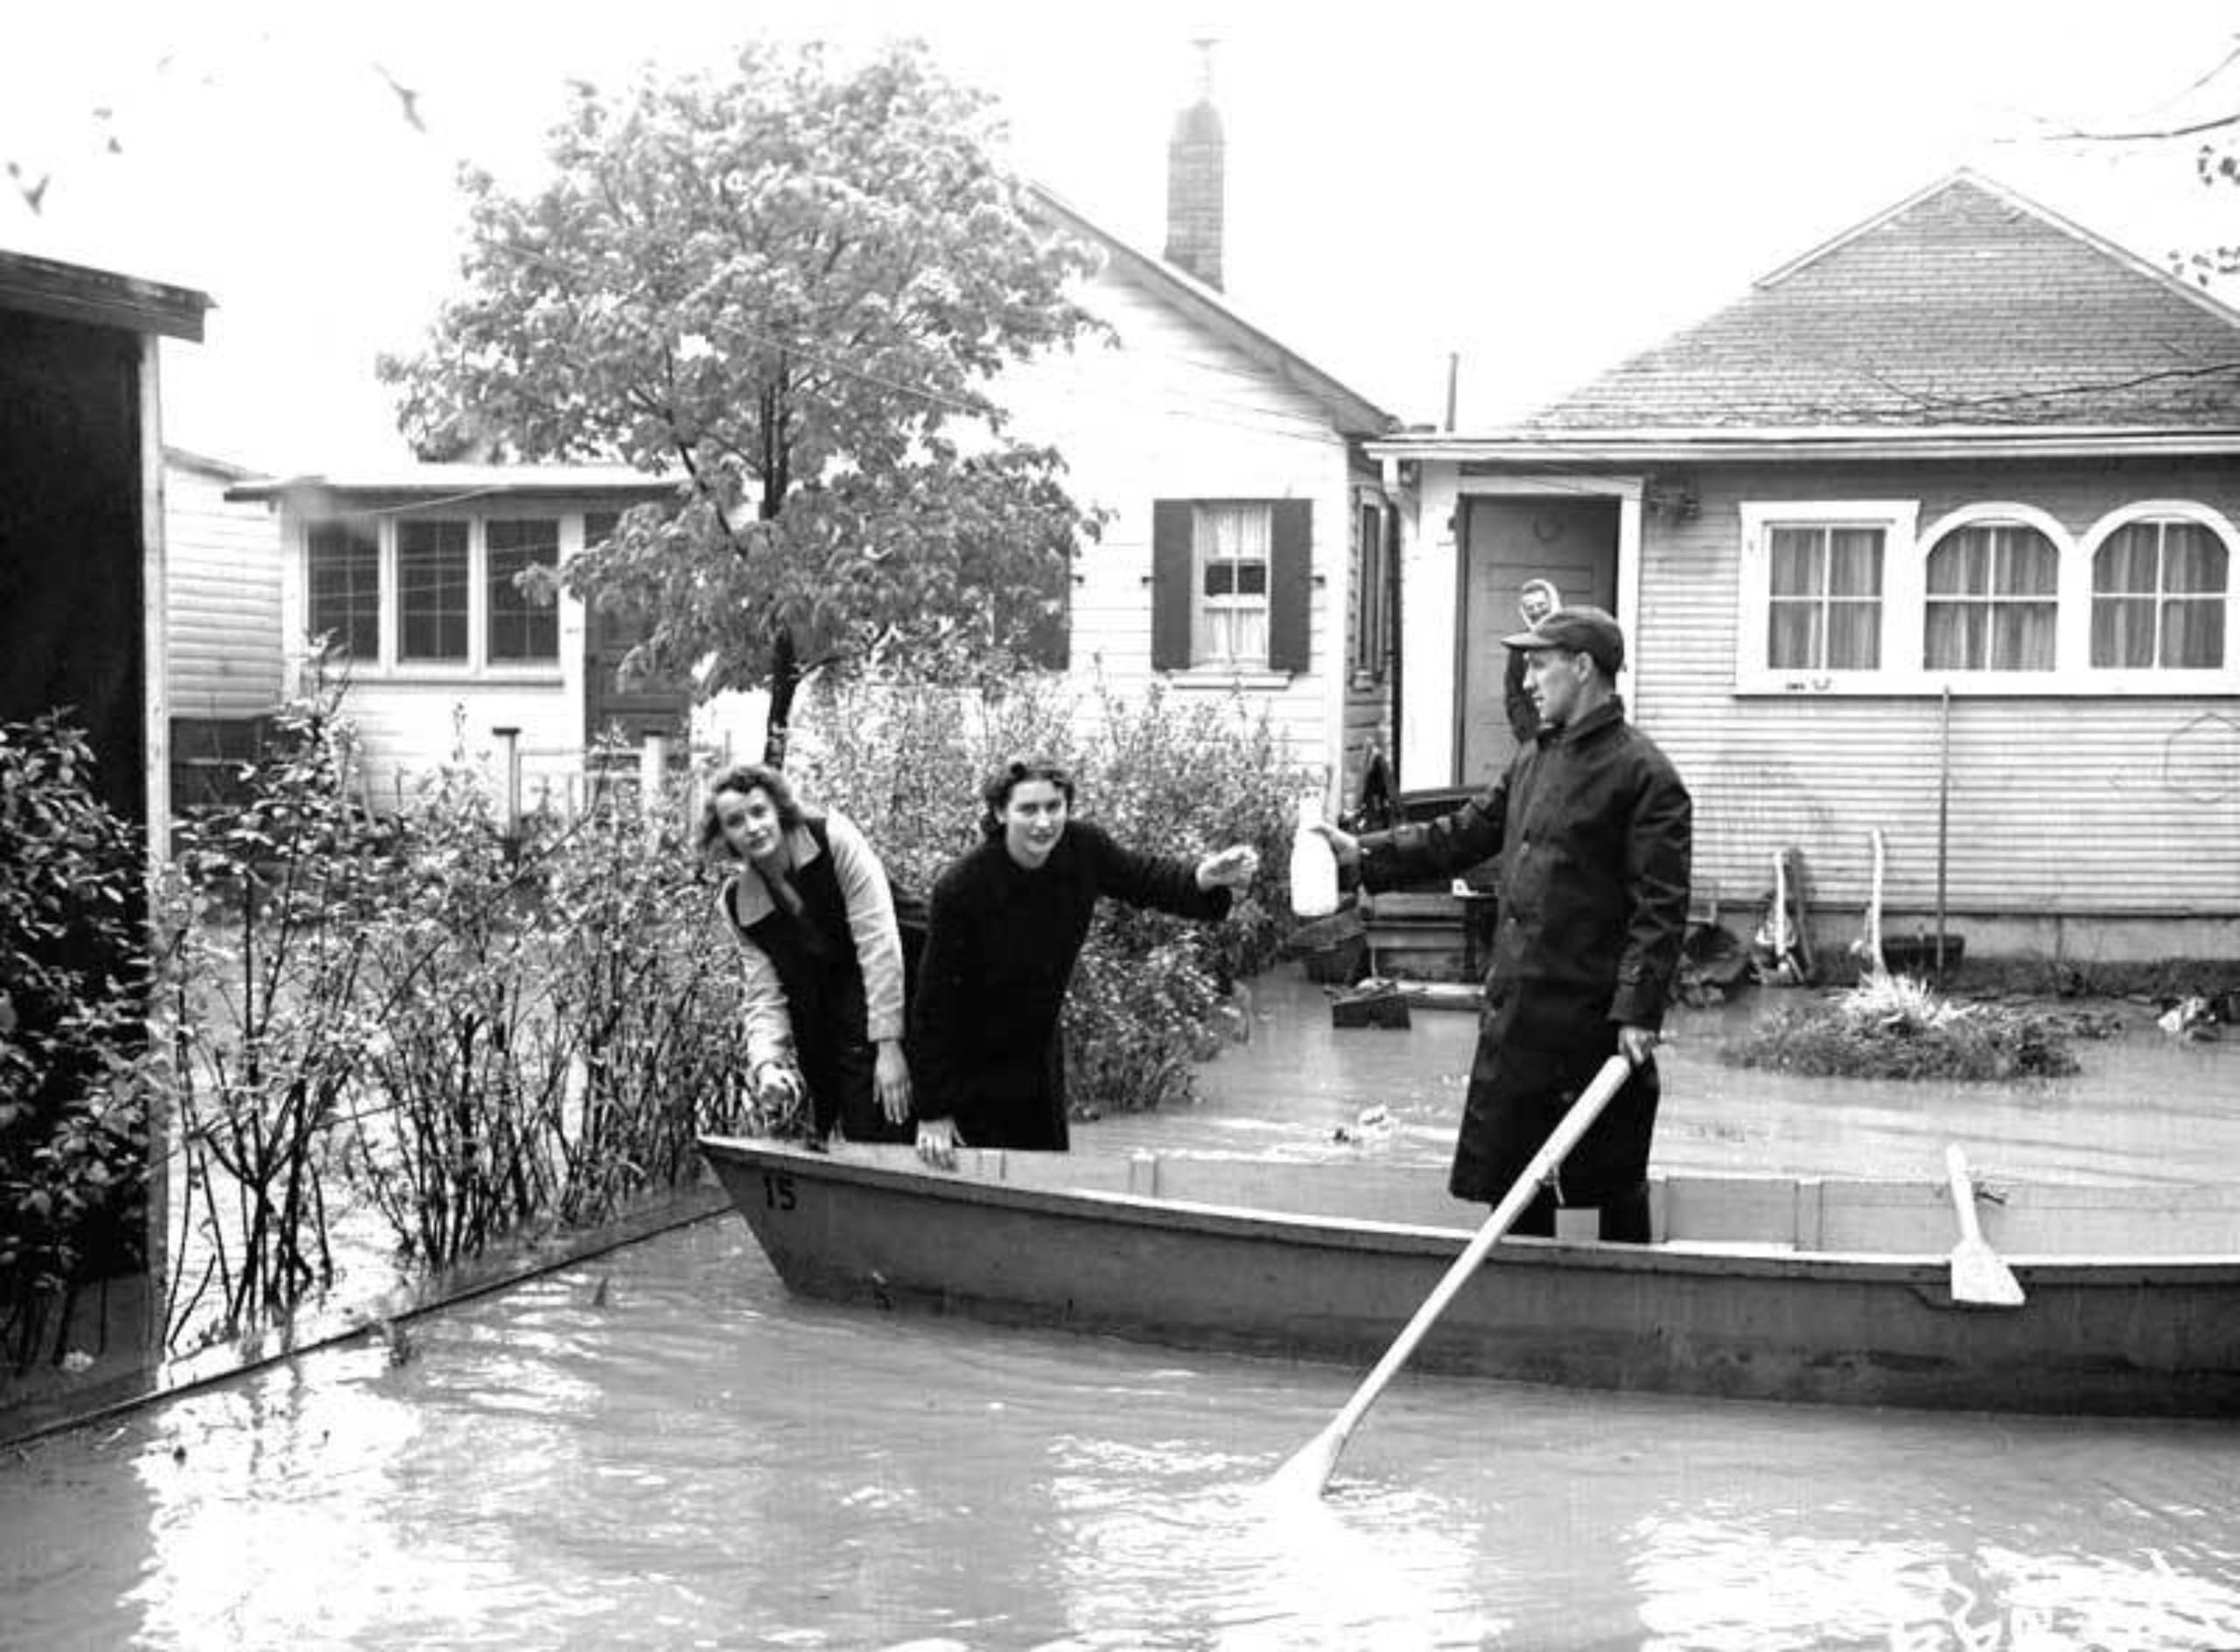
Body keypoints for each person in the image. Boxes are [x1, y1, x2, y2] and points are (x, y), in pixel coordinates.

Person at [1318, 606, 1690, 1242]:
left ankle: (1626, 1318)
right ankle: (1518, 1321)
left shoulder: (1645, 776)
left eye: (1539, 665)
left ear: (1583, 668)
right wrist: (1368, 855)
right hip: (1519, 1019)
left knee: (1611, 1186)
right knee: (1517, 1192)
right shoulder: (1533, 759)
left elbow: (1661, 908)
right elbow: (1464, 833)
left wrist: (1638, 1011)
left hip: (1592, 1028)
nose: (1526, 682)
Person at [909, 756, 1260, 1165]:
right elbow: (933, 1005)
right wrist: (933, 1110)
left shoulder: (1083, 849)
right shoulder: (961, 888)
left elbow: (1145, 878)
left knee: (1046, 1183)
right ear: (1001, 813)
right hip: (971, 1061)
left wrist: (1204, 877)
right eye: (1028, 809)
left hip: (1038, 1050)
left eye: (1053, 807)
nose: (1044, 822)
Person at [704, 763, 913, 1145]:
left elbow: (878, 939)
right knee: (841, 1102)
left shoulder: (832, 836)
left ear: (780, 811)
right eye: (735, 821)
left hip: (904, 965)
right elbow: (764, 994)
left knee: (889, 1095)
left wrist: (889, 1044)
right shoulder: (736, 904)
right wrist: (767, 1065)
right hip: (833, 995)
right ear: (724, 836)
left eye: (759, 812)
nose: (752, 827)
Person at [1503, 578, 1564, 745]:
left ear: (1552, 603)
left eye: (1541, 605)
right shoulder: (1520, 645)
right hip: (1535, 736)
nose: (1537, 611)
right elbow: (1514, 693)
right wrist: (1528, 731)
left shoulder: (1571, 637)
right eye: (1530, 608)